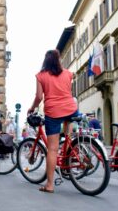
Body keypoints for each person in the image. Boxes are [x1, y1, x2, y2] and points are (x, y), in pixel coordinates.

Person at [27, 49, 78, 193]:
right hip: (71, 109)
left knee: (53, 149)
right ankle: (69, 151)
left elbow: (39, 97)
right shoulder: (68, 74)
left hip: (54, 111)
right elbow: (68, 91)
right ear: (59, 59)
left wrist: (32, 108)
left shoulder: (41, 76)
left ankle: (49, 185)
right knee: (67, 127)